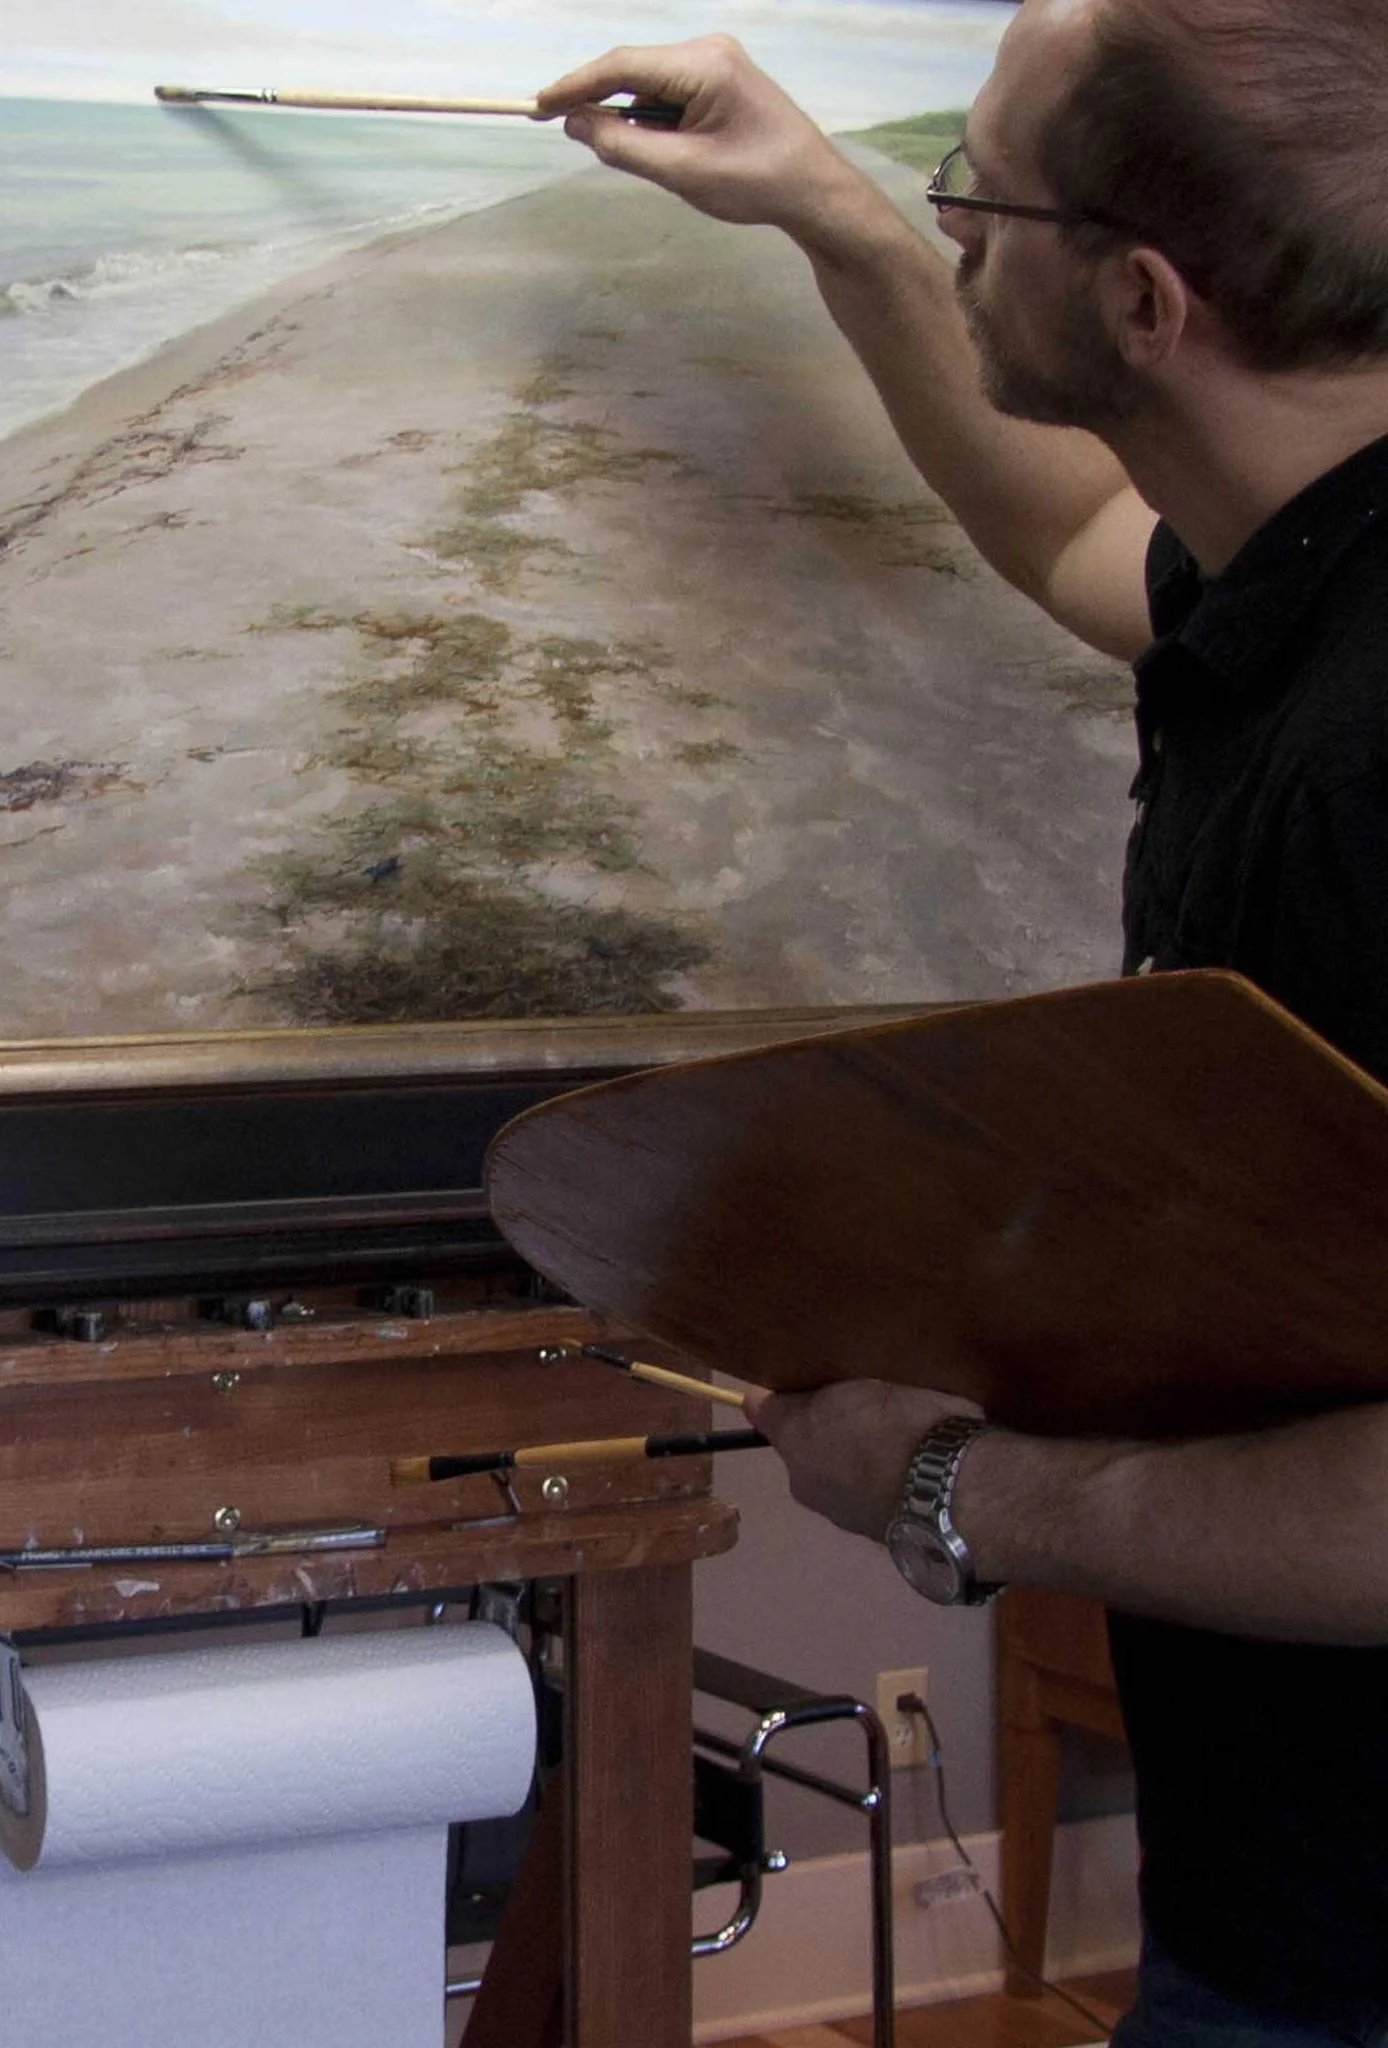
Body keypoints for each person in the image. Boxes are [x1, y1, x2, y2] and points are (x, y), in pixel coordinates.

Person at [537, 3, 1388, 2042]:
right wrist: (831, 214)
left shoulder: (1370, 770)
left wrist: (959, 1486)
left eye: (967, 196)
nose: (946, 225)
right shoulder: (1309, 544)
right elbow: (1079, 537)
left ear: (1141, 300)